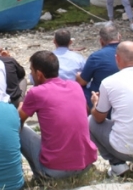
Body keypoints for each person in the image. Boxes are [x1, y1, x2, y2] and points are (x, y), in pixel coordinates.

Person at [18, 51, 97, 180]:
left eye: (31, 71)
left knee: (19, 129)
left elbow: (17, 121)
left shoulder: (36, 92)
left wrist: (21, 107)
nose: (31, 74)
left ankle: (39, 175)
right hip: (84, 164)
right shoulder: (75, 86)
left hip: (55, 170)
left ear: (39, 74)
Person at [89, 41, 133, 177]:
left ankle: (117, 164)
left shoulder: (109, 82)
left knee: (90, 121)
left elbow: (99, 117)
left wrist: (95, 104)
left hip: (123, 149)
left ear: (117, 59)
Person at [77, 24, 133, 109]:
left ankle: (87, 116)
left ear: (101, 41)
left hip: (102, 102)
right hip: (128, 99)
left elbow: (82, 81)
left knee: (78, 89)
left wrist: (77, 75)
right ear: (119, 37)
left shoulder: (96, 57)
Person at [0, 38, 26, 107]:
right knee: (23, 80)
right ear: (1, 49)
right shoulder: (9, 60)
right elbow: (22, 73)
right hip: (12, 100)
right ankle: (20, 105)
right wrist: (9, 57)